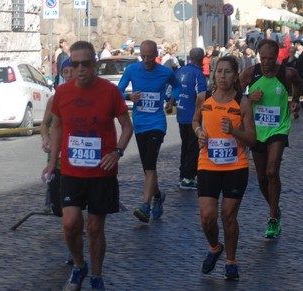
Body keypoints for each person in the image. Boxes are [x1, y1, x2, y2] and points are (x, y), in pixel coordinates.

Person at [42, 41, 133, 290]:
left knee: (94, 227)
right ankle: (79, 266)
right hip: (71, 170)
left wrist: (117, 152)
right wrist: (52, 163)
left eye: (85, 63)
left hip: (102, 170)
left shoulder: (110, 92)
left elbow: (127, 126)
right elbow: (57, 126)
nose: (80, 68)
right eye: (75, 63)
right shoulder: (63, 93)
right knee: (70, 224)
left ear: (94, 64)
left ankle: (97, 274)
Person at [192, 56, 256, 281]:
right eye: (219, 71)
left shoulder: (243, 102)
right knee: (207, 217)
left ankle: (231, 261)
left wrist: (235, 131)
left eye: (228, 72)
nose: (222, 76)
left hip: (236, 165)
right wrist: (199, 133)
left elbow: (252, 139)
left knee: (228, 216)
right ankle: (214, 247)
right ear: (214, 74)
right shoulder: (204, 97)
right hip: (208, 164)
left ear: (235, 75)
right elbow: (195, 121)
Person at [239, 39, 302, 238]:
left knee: (272, 171)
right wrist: (249, 98)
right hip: (256, 130)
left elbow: (298, 85)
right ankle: (275, 208)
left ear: (277, 57)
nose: (266, 62)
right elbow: (236, 95)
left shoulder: (287, 73)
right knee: (261, 178)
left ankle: (273, 218)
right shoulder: (250, 73)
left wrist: (296, 101)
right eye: (262, 58)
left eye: (270, 58)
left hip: (278, 129)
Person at [117, 40, 180, 223]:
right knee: (147, 168)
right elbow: (117, 92)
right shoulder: (132, 70)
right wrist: (129, 96)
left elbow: (177, 87)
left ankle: (145, 205)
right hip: (140, 123)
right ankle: (158, 195)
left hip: (157, 123)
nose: (146, 60)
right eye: (143, 56)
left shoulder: (165, 72)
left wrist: (171, 101)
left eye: (150, 56)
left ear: (156, 55)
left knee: (150, 165)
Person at [40, 57, 77, 218]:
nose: (69, 75)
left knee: (73, 200)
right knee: (58, 209)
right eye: (65, 72)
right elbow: (44, 124)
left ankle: (73, 226)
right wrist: (45, 139)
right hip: (56, 156)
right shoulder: (54, 99)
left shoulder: (84, 98)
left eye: (72, 71)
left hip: (76, 157)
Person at [171, 48, 207, 190]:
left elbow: (171, 90)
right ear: (202, 58)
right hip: (194, 117)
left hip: (181, 115)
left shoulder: (180, 71)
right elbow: (202, 95)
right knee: (193, 148)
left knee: (185, 147)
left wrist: (171, 103)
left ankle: (183, 175)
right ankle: (188, 178)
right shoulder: (198, 74)